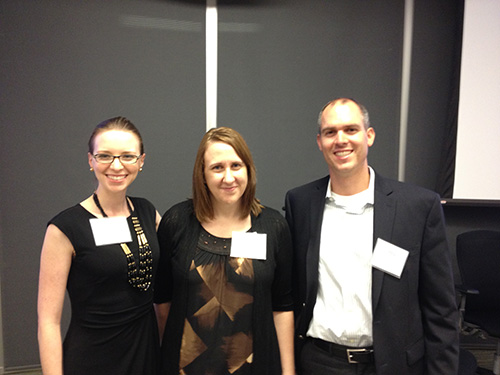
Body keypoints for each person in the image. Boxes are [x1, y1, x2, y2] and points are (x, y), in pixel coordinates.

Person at [284, 98, 459, 375]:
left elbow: (441, 311)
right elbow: (291, 292)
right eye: (331, 132)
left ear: (369, 136)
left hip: (392, 364)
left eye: (351, 130)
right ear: (319, 141)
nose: (340, 140)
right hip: (319, 362)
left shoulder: (418, 207)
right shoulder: (301, 203)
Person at [154, 127, 295, 375]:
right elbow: (163, 301)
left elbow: (282, 308)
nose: (228, 177)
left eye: (236, 166)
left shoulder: (274, 226)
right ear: (203, 174)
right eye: (217, 167)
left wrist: (288, 371)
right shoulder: (176, 222)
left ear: (248, 170)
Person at [37, 117, 162, 375]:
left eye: (128, 156)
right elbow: (48, 322)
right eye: (105, 156)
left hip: (145, 352)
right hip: (94, 358)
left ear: (141, 161)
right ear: (90, 160)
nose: (116, 166)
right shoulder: (65, 228)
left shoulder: (147, 212)